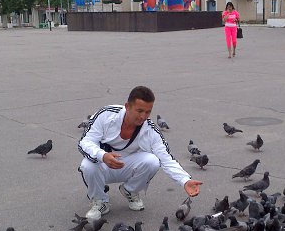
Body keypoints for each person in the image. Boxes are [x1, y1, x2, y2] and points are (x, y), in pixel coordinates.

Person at [78, 86, 202, 219]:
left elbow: (166, 159)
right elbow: (85, 142)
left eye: (148, 112)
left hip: (127, 167)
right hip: (103, 166)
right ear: (127, 106)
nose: (143, 116)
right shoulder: (106, 114)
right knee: (87, 165)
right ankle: (100, 201)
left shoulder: (150, 130)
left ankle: (129, 190)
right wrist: (102, 155)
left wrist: (185, 180)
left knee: (153, 161)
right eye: (139, 111)